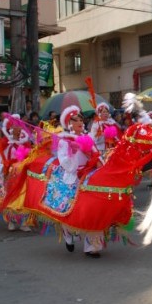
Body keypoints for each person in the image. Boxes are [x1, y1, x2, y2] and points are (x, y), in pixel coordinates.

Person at [55, 106, 104, 258]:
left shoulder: (88, 138)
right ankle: (68, 234)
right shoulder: (65, 141)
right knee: (70, 210)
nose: (80, 122)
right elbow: (64, 162)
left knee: (94, 210)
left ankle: (92, 246)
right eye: (76, 120)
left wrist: (100, 164)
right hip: (74, 177)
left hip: (90, 176)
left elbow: (97, 155)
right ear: (69, 123)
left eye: (81, 119)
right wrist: (74, 150)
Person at [0, 114, 33, 231]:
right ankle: (10, 221)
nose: (20, 127)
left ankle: (24, 223)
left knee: (23, 196)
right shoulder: (5, 142)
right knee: (10, 197)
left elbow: (30, 156)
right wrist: (3, 170)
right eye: (17, 125)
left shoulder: (24, 141)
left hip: (23, 173)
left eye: (20, 125)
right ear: (11, 128)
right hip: (10, 173)